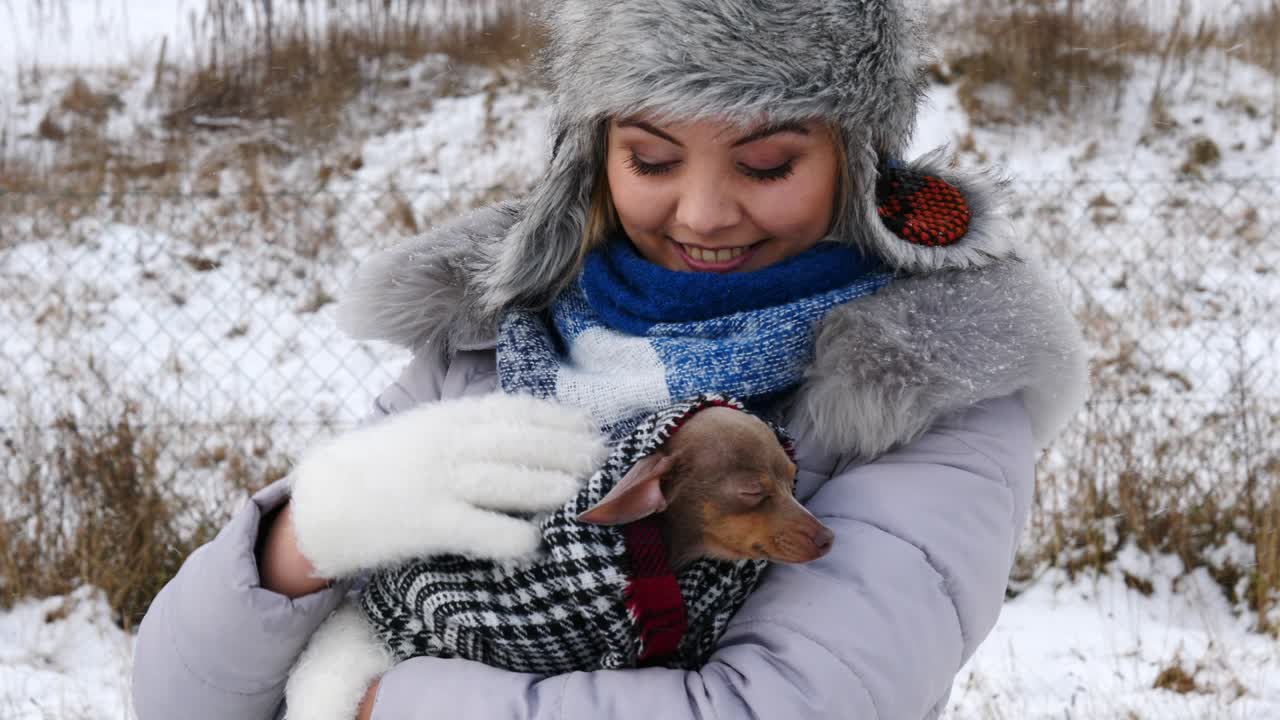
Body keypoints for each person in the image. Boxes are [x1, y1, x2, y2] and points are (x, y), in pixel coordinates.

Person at [131, 1, 1089, 718]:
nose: (706, 214)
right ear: (594, 158)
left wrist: (387, 703)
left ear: (860, 164)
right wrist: (307, 534)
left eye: (767, 165)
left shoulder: (917, 390)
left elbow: (782, 705)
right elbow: (180, 701)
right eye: (654, 159)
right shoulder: (497, 340)